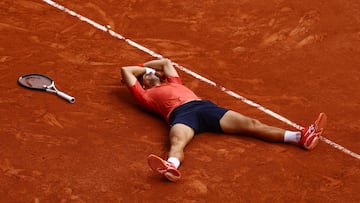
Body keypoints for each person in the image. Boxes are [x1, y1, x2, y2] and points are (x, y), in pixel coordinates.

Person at [121, 58, 327, 182]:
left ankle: (300, 137)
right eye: (146, 75)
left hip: (205, 108)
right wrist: (143, 70)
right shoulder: (145, 96)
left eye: (152, 72)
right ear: (143, 84)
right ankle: (171, 166)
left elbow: (165, 62)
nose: (152, 73)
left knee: (251, 125)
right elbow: (125, 71)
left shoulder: (173, 80)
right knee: (176, 143)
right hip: (180, 115)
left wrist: (145, 66)